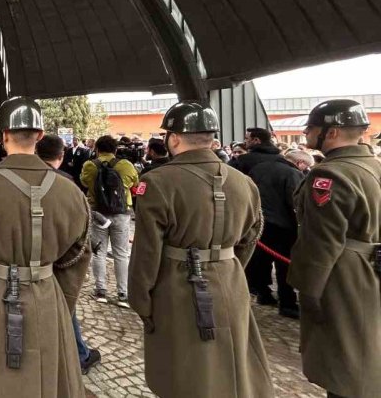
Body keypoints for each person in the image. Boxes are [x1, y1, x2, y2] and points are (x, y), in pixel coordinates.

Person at [129, 101, 272, 398]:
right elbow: (251, 235)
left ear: (175, 137)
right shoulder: (244, 182)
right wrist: (227, 264)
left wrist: (141, 298)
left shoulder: (157, 182)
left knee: (186, 369)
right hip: (231, 279)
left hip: (177, 283)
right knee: (231, 363)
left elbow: (147, 251)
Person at [0, 97, 91, 397]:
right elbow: (79, 255)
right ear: (40, 136)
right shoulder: (71, 191)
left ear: (3, 134)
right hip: (48, 293)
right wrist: (61, 300)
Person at [288, 100, 380, 398]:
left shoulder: (329, 176)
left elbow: (321, 241)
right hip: (372, 265)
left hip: (344, 272)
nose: (306, 132)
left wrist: (308, 291)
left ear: (332, 132)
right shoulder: (373, 166)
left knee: (343, 359)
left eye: (312, 127)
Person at [36, 134, 102, 375]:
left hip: (28, 259)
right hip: (60, 258)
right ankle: (79, 354)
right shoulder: (67, 184)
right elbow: (79, 233)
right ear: (61, 157)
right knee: (66, 307)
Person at [245, 142, 304, 316]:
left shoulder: (259, 168)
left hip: (259, 222)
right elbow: (295, 202)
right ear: (299, 163)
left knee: (261, 262)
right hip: (283, 226)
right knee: (284, 266)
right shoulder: (293, 173)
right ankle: (287, 303)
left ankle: (264, 294)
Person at [80, 135, 139, 307]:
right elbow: (135, 181)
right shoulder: (126, 165)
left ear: (97, 149)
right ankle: (123, 293)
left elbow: (84, 181)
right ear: (115, 149)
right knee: (121, 253)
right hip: (121, 213)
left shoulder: (90, 165)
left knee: (99, 251)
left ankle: (101, 291)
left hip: (98, 213)